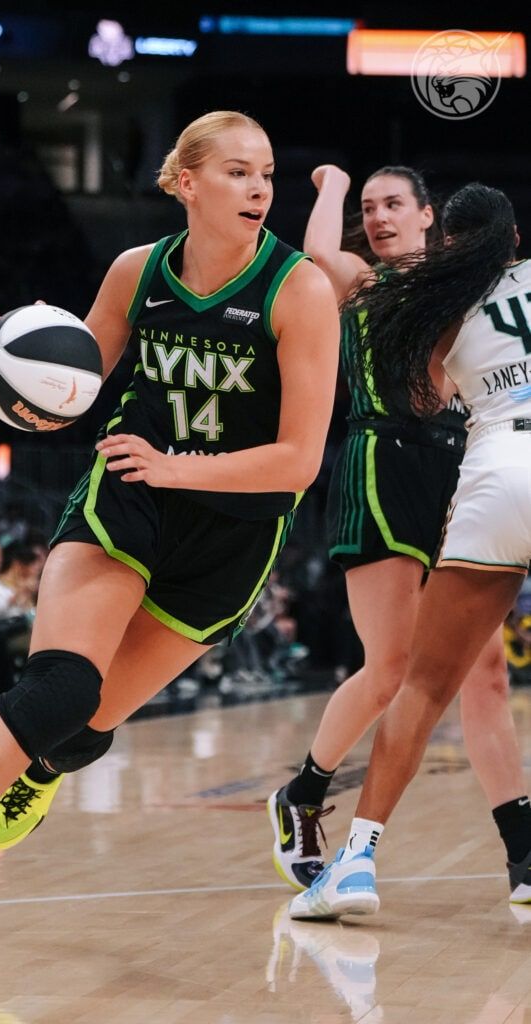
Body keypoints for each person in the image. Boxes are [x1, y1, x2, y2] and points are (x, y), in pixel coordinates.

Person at [0, 109, 339, 986]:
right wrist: (10, 361)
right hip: (129, 496)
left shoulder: (298, 290)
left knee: (81, 734)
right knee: (58, 689)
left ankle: (45, 765)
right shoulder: (136, 271)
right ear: (186, 182)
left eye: (267, 174)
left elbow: (297, 460)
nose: (258, 189)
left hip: (233, 537)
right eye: (238, 171)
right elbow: (70, 388)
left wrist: (180, 466)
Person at [263, 165, 527, 894]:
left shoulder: (464, 285)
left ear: (429, 217)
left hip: (463, 464)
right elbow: (320, 253)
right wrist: (334, 184)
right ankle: (304, 792)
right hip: (382, 458)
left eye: (392, 205)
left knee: (484, 671)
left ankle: (522, 853)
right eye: (369, 207)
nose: (378, 218)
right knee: (394, 666)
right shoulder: (364, 279)